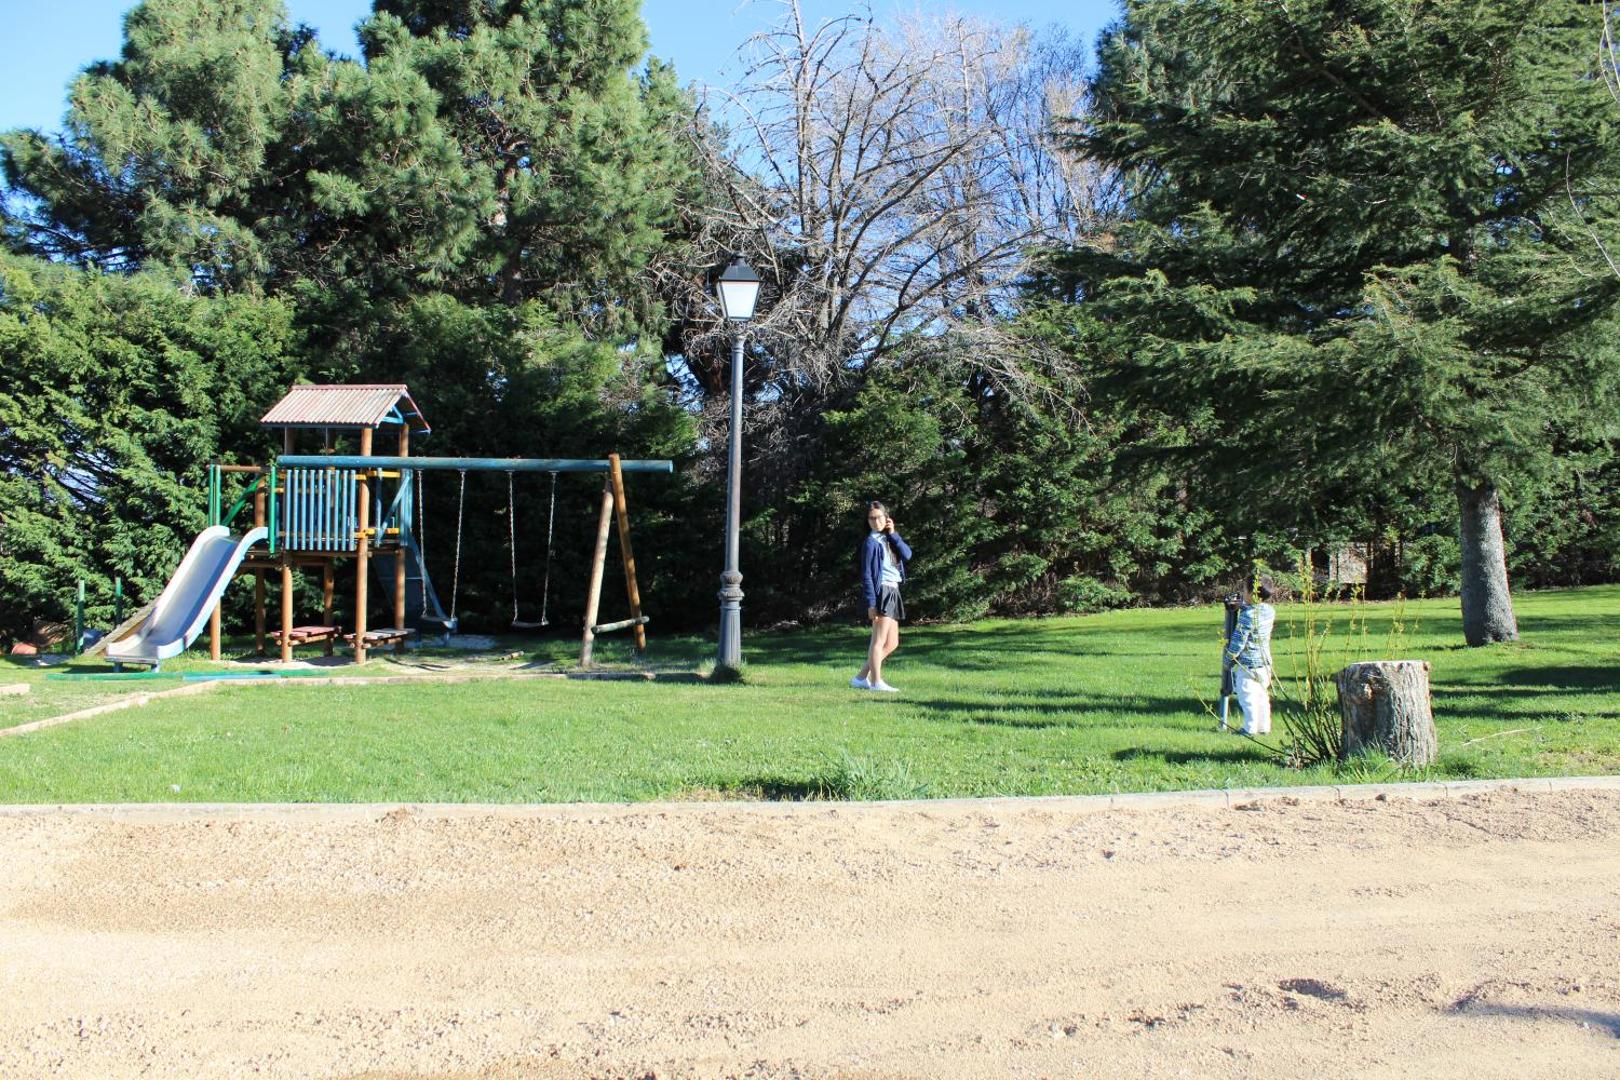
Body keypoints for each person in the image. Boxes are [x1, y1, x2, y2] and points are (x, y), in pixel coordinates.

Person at [852, 500, 911, 692]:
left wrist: (893, 534)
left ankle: (861, 678)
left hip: (894, 589)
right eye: (871, 518)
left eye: (879, 517)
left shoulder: (889, 538)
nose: (875, 522)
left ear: (886, 518)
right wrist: (871, 603)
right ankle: (876, 682)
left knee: (892, 643)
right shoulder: (870, 543)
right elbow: (867, 575)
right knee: (878, 641)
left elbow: (907, 555)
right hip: (882, 592)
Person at [1225, 576, 1276, 735]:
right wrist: (1243, 605)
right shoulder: (1269, 611)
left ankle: (1249, 728)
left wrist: (1229, 659)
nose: (1242, 592)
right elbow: (1255, 610)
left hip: (1248, 665)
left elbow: (1239, 641)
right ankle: (1264, 727)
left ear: (1251, 594)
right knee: (1262, 697)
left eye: (1245, 590)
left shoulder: (1247, 616)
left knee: (1247, 697)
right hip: (1265, 664)